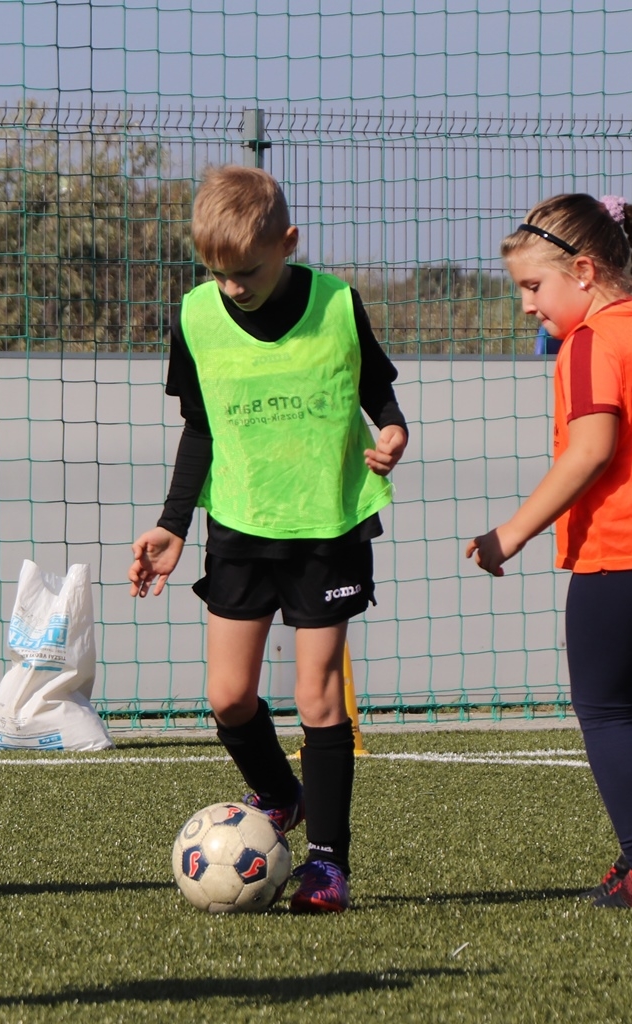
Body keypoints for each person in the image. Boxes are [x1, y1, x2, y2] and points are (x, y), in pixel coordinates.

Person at [128, 165, 408, 914]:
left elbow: (375, 389)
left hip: (328, 526)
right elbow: (200, 427)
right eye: (217, 272)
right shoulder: (196, 316)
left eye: (247, 271)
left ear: (288, 243)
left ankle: (329, 864)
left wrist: (392, 429)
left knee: (318, 697)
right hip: (240, 526)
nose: (232, 286)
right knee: (228, 698)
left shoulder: (337, 303)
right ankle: (282, 794)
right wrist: (173, 523)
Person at [468, 193, 632, 912]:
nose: (528, 305)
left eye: (534, 286)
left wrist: (510, 533)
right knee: (627, 701)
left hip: (627, 548)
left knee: (605, 708)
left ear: (584, 271)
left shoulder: (590, 343)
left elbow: (588, 451)